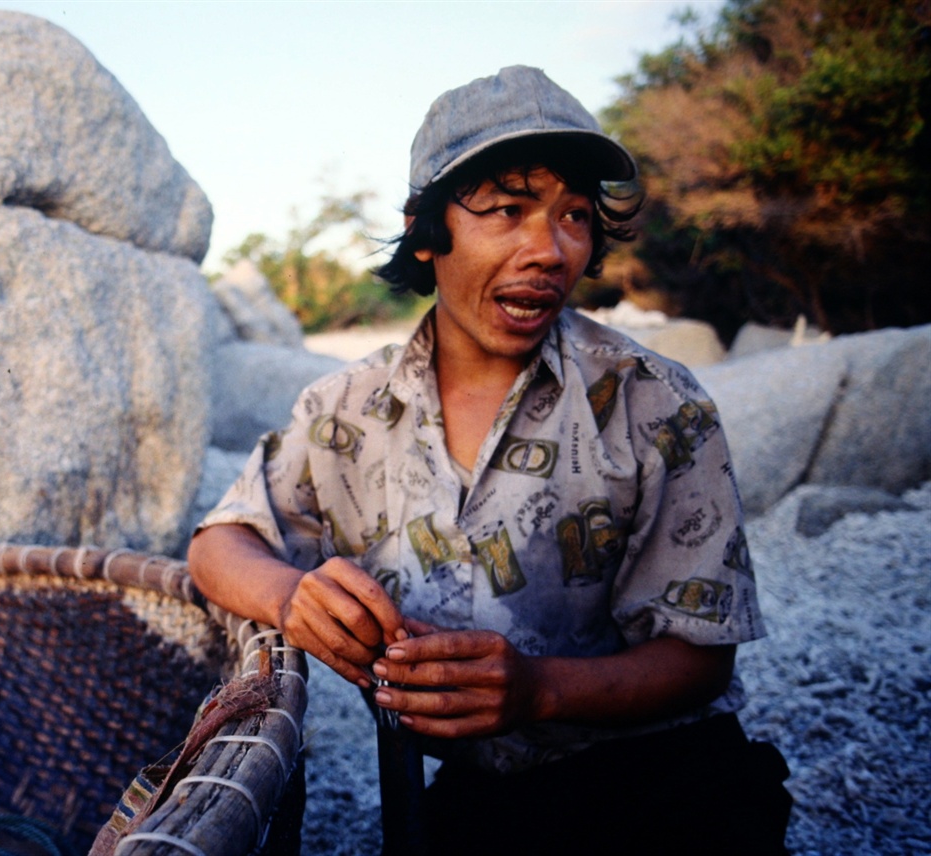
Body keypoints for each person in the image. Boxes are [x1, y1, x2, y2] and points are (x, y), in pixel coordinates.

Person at [189, 66, 791, 853]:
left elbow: (701, 658)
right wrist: (296, 595)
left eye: (573, 215)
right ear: (426, 231)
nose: (547, 249)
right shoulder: (344, 411)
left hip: (665, 781)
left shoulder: (657, 402)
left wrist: (541, 691)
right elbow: (217, 544)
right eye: (507, 210)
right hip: (483, 796)